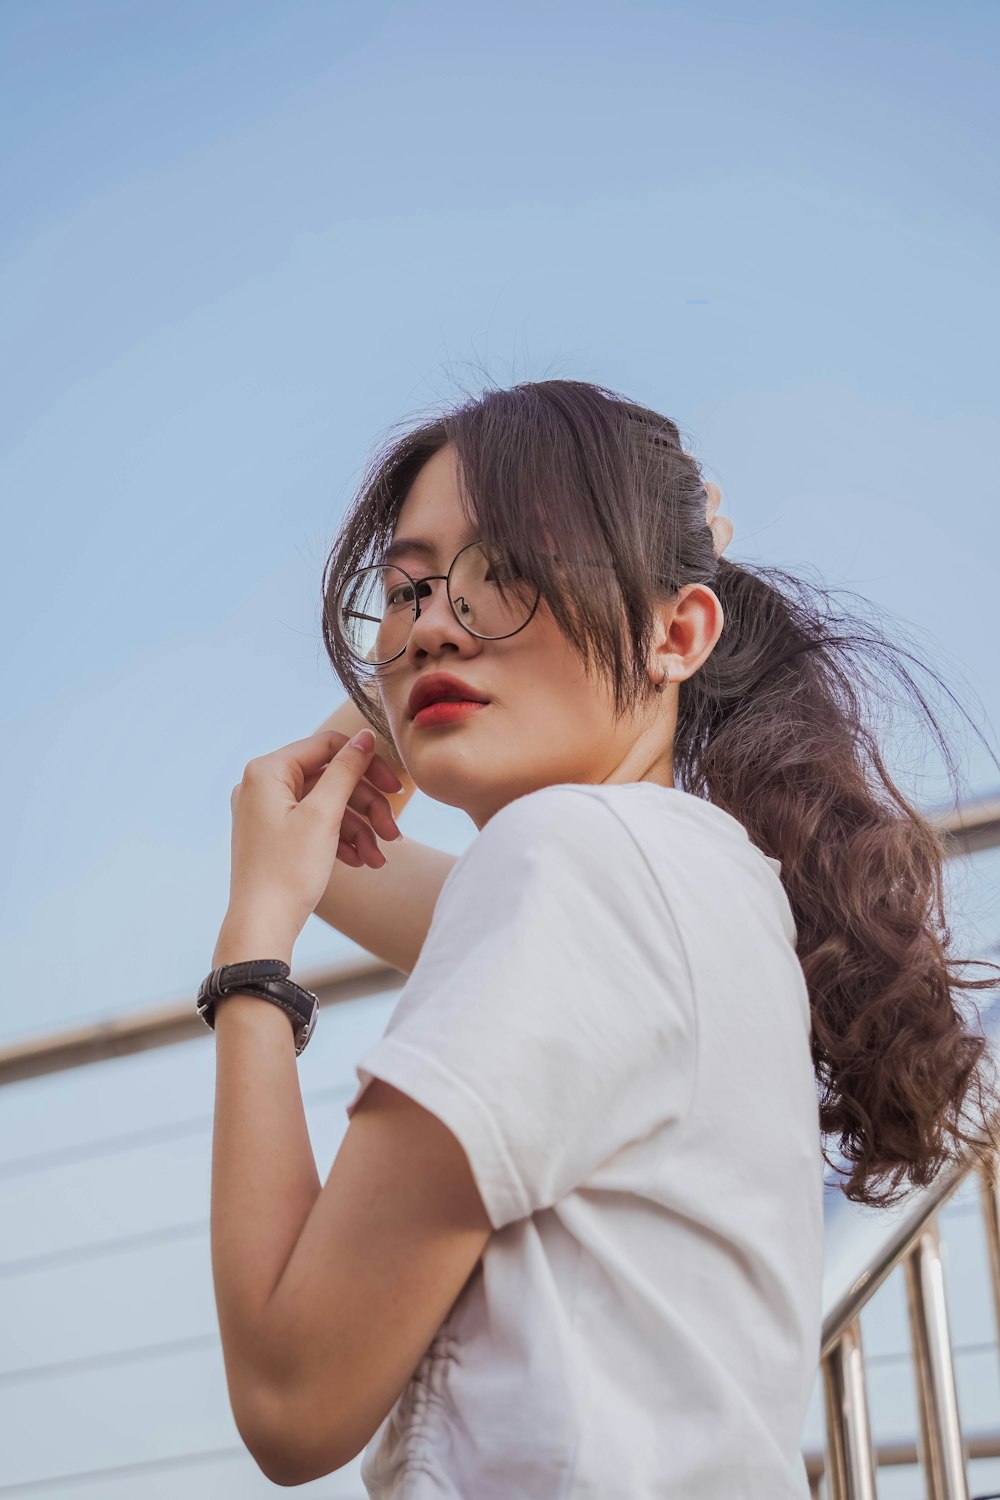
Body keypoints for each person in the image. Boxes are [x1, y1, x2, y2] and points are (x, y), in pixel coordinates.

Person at [209, 378, 999, 1497]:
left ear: (680, 632)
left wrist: (250, 966)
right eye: (404, 587)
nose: (433, 620)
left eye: (510, 574)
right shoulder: (684, 880)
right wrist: (587, 608)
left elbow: (293, 1398)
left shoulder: (575, 865)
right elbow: (325, 849)